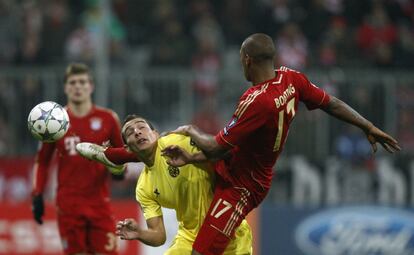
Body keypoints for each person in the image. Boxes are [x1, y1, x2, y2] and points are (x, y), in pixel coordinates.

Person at [160, 33, 401, 255]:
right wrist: (367, 125)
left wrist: (191, 129)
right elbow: (331, 103)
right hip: (238, 167)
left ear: (247, 60)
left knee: (199, 253)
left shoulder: (256, 101)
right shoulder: (291, 79)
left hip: (241, 186)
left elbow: (216, 147)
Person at [75, 114, 252, 255]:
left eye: (142, 127)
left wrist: (192, 152)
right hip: (189, 238)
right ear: (127, 149)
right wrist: (139, 233)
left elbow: (224, 150)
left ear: (156, 134)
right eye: (130, 132)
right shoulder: (144, 188)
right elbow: (158, 235)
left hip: (229, 232)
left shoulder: (177, 142)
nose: (137, 132)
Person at [31, 63, 124, 255]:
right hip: (69, 206)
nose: (78, 86)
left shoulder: (108, 118)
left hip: (99, 204)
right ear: (65, 87)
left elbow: (121, 155)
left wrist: (119, 171)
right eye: (72, 82)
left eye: (82, 82)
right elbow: (42, 161)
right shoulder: (54, 122)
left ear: (91, 86)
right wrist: (37, 194)